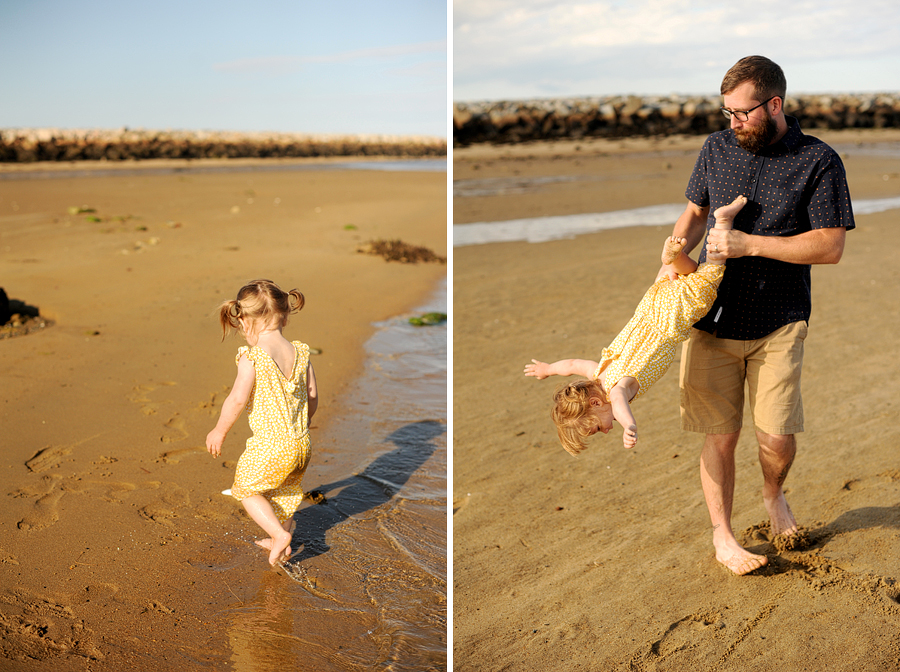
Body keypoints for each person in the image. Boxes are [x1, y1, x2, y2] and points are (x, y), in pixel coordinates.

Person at [660, 55, 854, 576]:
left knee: (775, 436)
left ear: (774, 104)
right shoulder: (716, 149)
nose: (733, 122)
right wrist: (674, 250)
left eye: (742, 112)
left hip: (779, 319)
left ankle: (773, 495)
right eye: (726, 112)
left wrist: (749, 244)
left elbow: (830, 246)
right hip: (710, 315)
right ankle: (723, 535)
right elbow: (696, 213)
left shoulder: (819, 160)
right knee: (719, 434)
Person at [525, 195, 748, 454]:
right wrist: (548, 369)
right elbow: (573, 365)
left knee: (710, 274)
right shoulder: (599, 373)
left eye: (599, 428)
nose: (606, 430)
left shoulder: (618, 390)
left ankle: (722, 221)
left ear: (596, 403)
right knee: (689, 275)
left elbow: (619, 403)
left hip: (672, 319)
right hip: (651, 306)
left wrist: (628, 426)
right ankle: (673, 259)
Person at [206, 279, 318, 566]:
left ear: (244, 320)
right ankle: (281, 542)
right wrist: (299, 423)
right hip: (301, 443)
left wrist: (219, 431)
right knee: (286, 491)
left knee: (245, 488)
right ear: (285, 315)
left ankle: (278, 536)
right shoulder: (301, 352)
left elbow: (237, 399)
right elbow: (312, 396)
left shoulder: (252, 357)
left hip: (271, 445)